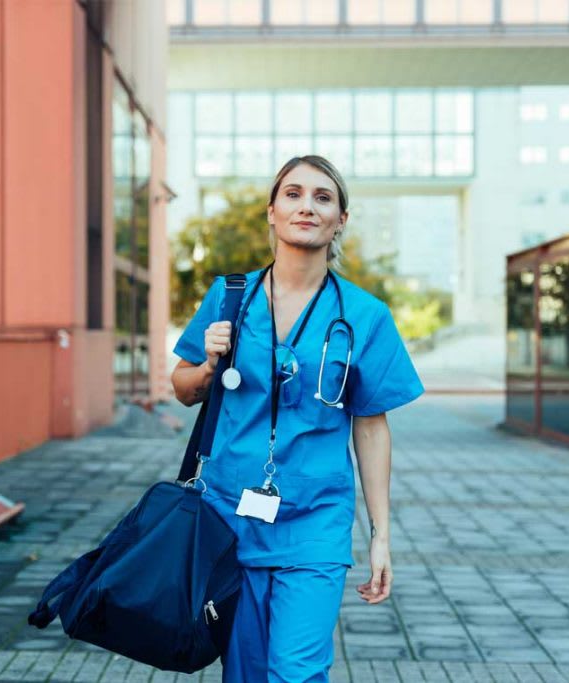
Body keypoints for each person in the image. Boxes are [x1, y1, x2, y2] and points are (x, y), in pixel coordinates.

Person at [171, 155, 424, 682]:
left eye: (322, 197)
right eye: (293, 193)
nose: (306, 205)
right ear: (272, 211)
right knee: (244, 671)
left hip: (315, 520)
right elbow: (183, 389)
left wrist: (380, 535)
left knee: (296, 672)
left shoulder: (364, 314)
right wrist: (210, 364)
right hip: (227, 517)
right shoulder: (229, 297)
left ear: (340, 220)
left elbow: (372, 426)